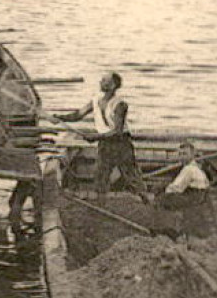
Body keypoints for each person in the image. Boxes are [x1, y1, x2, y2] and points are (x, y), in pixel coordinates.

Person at [54, 72, 148, 203]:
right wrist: (60, 117)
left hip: (121, 143)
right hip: (105, 144)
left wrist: (96, 137)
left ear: (113, 85)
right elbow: (78, 114)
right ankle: (101, 205)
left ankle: (148, 203)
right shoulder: (95, 99)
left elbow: (118, 131)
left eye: (104, 80)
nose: (100, 82)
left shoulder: (120, 104)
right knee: (100, 177)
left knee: (131, 176)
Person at [157, 140, 210, 206]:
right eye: (180, 154)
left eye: (185, 154)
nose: (182, 157)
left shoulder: (189, 168)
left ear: (192, 155)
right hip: (198, 197)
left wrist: (164, 192)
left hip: (192, 198)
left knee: (162, 199)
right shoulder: (197, 167)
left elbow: (176, 187)